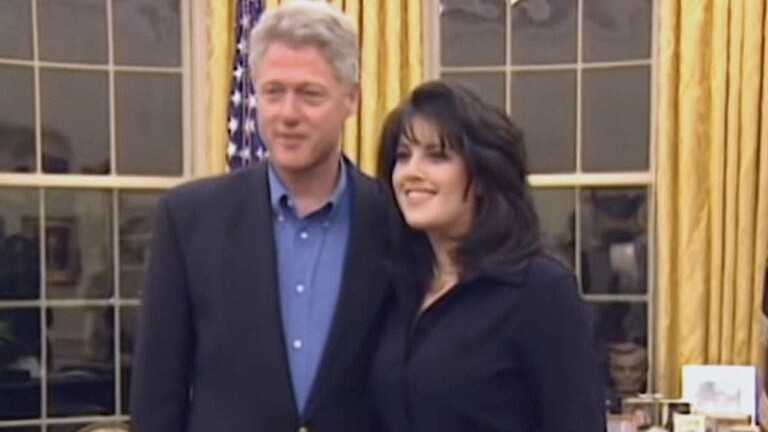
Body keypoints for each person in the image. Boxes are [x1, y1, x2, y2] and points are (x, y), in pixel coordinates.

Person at [129, 2, 390, 431]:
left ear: (352, 98)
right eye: (273, 92)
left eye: (310, 94)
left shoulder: (393, 221)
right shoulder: (188, 219)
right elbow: (158, 394)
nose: (288, 114)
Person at [371, 80, 606, 432]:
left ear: (482, 175)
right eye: (403, 156)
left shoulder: (539, 290)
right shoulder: (398, 289)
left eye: (437, 156)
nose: (411, 173)